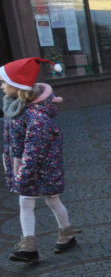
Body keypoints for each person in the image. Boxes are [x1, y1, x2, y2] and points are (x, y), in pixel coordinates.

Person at [2, 57, 76, 263]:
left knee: (44, 200)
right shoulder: (14, 108)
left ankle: (51, 239)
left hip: (42, 167)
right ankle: (48, 240)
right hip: (26, 166)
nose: (1, 86)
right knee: (37, 201)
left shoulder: (35, 117)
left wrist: (23, 173)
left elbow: (34, 149)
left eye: (4, 82)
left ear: (17, 86)